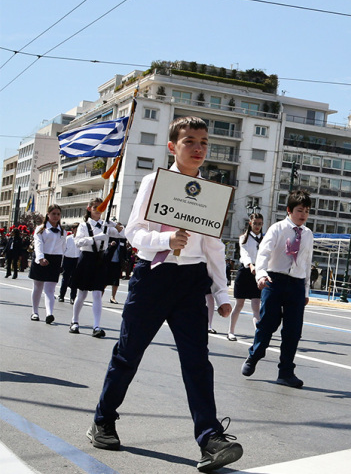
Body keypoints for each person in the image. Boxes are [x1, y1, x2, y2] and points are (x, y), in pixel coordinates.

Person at [87, 116, 242, 472]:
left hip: (191, 282)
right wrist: (164, 240)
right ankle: (103, 420)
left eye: (203, 141)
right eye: (190, 141)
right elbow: (134, 231)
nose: (198, 148)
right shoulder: (153, 182)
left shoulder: (211, 193)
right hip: (152, 276)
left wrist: (221, 293)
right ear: (172, 146)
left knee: (197, 362)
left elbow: (213, 247)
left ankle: (210, 438)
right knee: (129, 353)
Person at [241, 189, 313, 389]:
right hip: (274, 281)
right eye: (299, 210)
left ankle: (286, 372)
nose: (303, 215)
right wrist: (261, 275)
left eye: (306, 211)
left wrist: (306, 291)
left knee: (293, 331)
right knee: (267, 324)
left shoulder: (307, 234)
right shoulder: (277, 229)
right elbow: (263, 254)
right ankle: (254, 355)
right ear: (289, 210)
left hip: (297, 284)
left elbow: (307, 262)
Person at [70, 197, 125, 338]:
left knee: (97, 294)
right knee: (82, 294)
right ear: (89, 209)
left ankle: (96, 326)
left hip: (100, 260)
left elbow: (123, 234)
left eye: (101, 207)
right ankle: (74, 322)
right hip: (87, 258)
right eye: (95, 207)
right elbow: (78, 242)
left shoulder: (106, 225)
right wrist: (94, 238)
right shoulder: (83, 226)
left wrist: (114, 224)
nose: (98, 210)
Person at [230, 213, 264, 341]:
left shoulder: (264, 239)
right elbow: (244, 254)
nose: (257, 226)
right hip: (245, 272)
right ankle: (231, 331)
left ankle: (258, 335)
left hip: (257, 274)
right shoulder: (244, 238)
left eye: (260, 224)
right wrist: (250, 266)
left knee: (256, 306)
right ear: (250, 223)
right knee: (239, 304)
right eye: (255, 223)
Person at [29, 204, 65, 324]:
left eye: (58, 214)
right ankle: (35, 312)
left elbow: (63, 248)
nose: (56, 216)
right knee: (38, 287)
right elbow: (38, 245)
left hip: (55, 260)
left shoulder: (63, 231)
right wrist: (40, 258)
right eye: (53, 214)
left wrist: (62, 263)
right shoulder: (41, 229)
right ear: (48, 214)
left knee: (50, 289)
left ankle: (49, 313)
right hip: (42, 258)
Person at [57, 223, 80, 303]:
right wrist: (61, 263)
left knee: (75, 279)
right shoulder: (68, 238)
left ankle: (73, 297)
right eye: (76, 229)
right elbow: (63, 250)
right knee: (65, 278)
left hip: (77, 259)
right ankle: (61, 295)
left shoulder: (81, 239)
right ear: (73, 229)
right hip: (68, 259)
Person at [105, 232, 128, 304]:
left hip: (117, 262)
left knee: (115, 281)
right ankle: (99, 296)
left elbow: (124, 251)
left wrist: (125, 260)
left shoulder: (122, 240)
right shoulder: (110, 237)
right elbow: (104, 246)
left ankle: (113, 297)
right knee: (105, 280)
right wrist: (110, 245)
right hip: (108, 262)